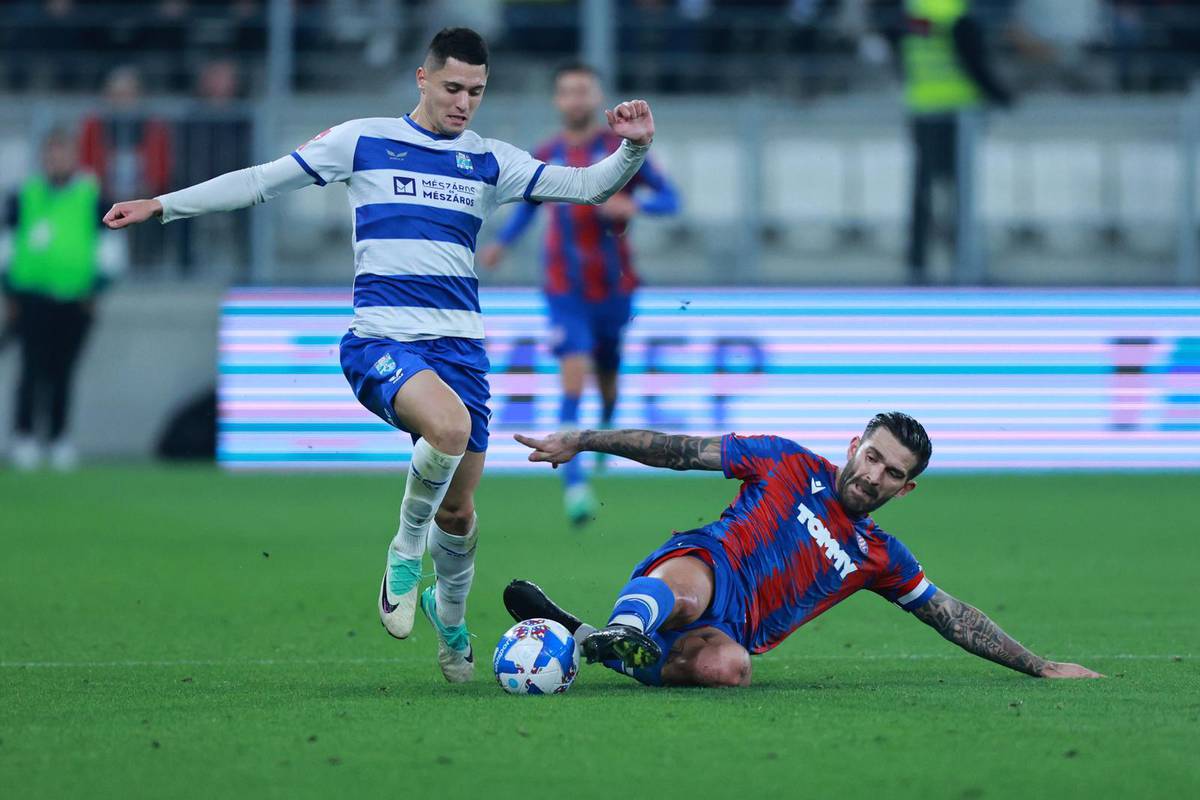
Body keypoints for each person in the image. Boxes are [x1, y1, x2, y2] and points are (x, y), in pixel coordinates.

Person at [101, 28, 656, 684]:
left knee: (461, 509)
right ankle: (403, 549)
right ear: (422, 79)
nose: (463, 103)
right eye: (452, 88)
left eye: (476, 92)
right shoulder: (360, 140)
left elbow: (591, 186)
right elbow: (261, 182)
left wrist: (635, 147)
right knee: (445, 431)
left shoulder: (488, 161)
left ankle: (450, 623)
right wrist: (163, 204)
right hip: (381, 342)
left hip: (462, 353)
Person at [506, 413, 1103, 687]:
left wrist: (1040, 666)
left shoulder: (879, 555)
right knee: (689, 591)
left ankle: (586, 640)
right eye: (872, 457)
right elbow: (677, 449)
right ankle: (623, 625)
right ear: (854, 445)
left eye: (892, 473)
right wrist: (583, 440)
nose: (874, 476)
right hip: (710, 562)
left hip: (733, 628)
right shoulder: (785, 460)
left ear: (906, 487)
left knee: (730, 669)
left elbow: (949, 615)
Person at [478, 61, 679, 527]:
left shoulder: (622, 149)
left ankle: (605, 432)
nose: (575, 99)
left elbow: (672, 200)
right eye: (566, 91)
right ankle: (575, 487)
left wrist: (635, 203)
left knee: (608, 383)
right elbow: (529, 206)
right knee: (573, 377)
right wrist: (503, 244)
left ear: (596, 97)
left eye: (583, 91)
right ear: (557, 100)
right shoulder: (546, 152)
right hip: (563, 290)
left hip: (615, 289)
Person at [3, 128, 115, 471]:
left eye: (62, 153)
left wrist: (96, 289)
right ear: (43, 159)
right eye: (51, 155)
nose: (56, 161)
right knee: (31, 369)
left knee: (63, 371)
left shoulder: (91, 195)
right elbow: (6, 247)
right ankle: (24, 436)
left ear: (74, 157)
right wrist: (9, 291)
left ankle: (58, 437)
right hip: (32, 296)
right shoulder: (25, 195)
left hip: (75, 297)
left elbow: (110, 249)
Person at [901, 0, 1012, 284]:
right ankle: (964, 262)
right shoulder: (956, 15)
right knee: (960, 194)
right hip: (956, 114)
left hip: (922, 107)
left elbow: (905, 55)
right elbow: (974, 63)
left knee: (923, 191)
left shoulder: (917, 11)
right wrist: (1003, 97)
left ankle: (917, 262)